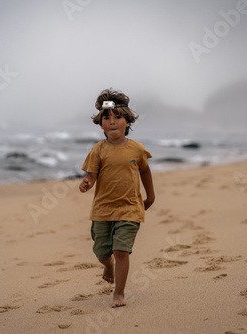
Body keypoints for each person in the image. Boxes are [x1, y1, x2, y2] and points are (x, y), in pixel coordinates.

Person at [79, 88, 155, 308]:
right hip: (102, 210)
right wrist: (87, 182)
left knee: (121, 250)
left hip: (129, 208)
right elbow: (91, 175)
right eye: (107, 118)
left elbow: (145, 171)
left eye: (118, 117)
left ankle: (119, 294)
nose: (112, 122)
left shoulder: (137, 149)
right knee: (102, 251)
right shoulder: (98, 150)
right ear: (100, 124)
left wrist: (150, 197)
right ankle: (107, 265)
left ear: (128, 122)